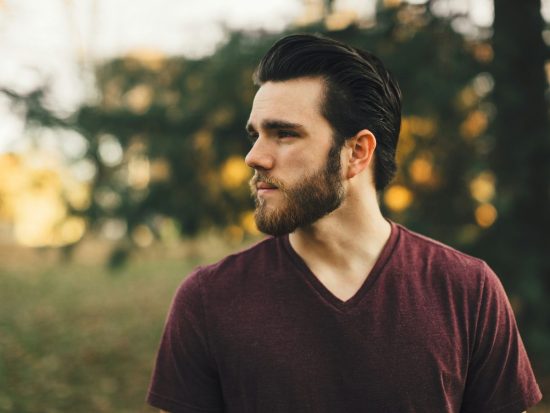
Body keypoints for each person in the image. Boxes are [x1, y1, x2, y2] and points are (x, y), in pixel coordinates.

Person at [147, 34, 542, 413]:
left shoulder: (468, 291)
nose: (254, 157)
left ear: (356, 152)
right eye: (256, 135)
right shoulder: (208, 300)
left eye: (284, 134)